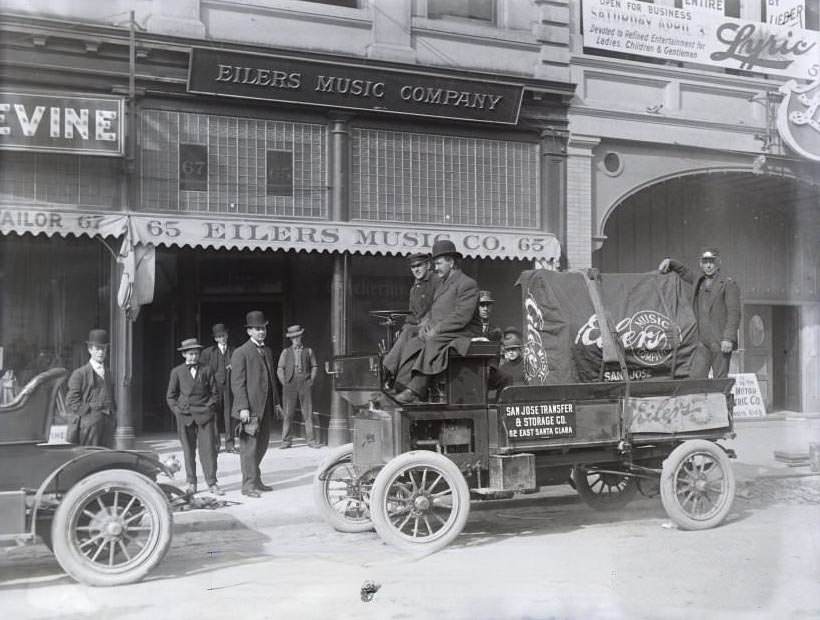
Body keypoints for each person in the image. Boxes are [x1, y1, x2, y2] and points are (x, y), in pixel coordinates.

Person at [394, 240, 480, 404]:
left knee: (433, 340)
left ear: (452, 262)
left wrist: (437, 329)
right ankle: (400, 384)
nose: (435, 268)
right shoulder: (443, 284)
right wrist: (425, 325)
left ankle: (415, 390)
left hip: (463, 332)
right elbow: (434, 311)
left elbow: (461, 316)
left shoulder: (467, 284)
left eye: (439, 263)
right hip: (446, 330)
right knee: (414, 340)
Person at [659, 248, 741, 378]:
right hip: (702, 342)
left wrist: (728, 338)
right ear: (701, 264)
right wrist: (670, 262)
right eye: (705, 262)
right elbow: (684, 272)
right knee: (696, 378)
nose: (708, 265)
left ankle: (724, 399)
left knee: (720, 382)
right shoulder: (699, 281)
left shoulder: (728, 283)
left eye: (711, 262)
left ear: (718, 263)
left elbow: (734, 313)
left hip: (720, 342)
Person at [231, 310, 280, 498]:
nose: (261, 332)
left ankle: (256, 479)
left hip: (265, 407)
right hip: (249, 409)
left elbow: (271, 380)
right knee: (249, 447)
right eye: (257, 329)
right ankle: (248, 485)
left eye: (263, 328)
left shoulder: (267, 351)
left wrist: (276, 403)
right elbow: (237, 383)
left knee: (262, 445)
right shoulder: (241, 352)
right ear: (249, 331)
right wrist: (243, 407)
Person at [165, 338, 222, 496]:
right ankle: (191, 483)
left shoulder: (207, 370)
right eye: (190, 354)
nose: (193, 357)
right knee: (188, 451)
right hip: (185, 416)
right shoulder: (177, 372)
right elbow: (171, 396)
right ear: (183, 355)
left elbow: (215, 394)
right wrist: (177, 411)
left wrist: (210, 408)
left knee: (209, 451)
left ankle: (212, 483)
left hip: (205, 416)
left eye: (196, 354)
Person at [382, 252, 439, 383]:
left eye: (419, 265)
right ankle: (392, 376)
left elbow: (440, 306)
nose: (416, 270)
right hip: (419, 328)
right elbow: (412, 314)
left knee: (408, 332)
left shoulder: (436, 281)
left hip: (434, 327)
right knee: (404, 332)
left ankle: (386, 369)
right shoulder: (414, 288)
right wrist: (406, 326)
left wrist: (424, 322)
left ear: (428, 265)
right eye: (413, 267)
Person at [65, 328, 115, 447]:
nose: (101, 352)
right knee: (90, 457)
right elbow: (71, 400)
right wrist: (88, 415)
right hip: (89, 425)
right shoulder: (80, 373)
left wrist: (113, 415)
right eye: (97, 349)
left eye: (103, 349)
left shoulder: (108, 372)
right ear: (90, 350)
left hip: (107, 423)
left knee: (106, 458)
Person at [277, 325, 320, 449]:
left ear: (301, 336)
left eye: (297, 336)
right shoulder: (286, 352)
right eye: (293, 337)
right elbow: (280, 369)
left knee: (307, 413)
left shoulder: (309, 351)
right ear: (290, 339)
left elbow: (315, 366)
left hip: (304, 383)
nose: (296, 339)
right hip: (289, 384)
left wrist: (311, 380)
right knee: (288, 414)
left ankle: (311, 440)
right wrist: (284, 382)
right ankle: (286, 441)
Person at [201, 323, 236, 453]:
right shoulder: (208, 352)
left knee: (229, 415)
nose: (222, 338)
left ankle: (230, 444)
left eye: (223, 335)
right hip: (214, 389)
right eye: (219, 336)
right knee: (214, 416)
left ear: (227, 335)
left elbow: (240, 367)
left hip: (229, 388)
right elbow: (202, 371)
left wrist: (234, 367)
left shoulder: (234, 351)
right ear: (215, 339)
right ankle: (215, 445)